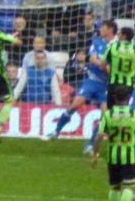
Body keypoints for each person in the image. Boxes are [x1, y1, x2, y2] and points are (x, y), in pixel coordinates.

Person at [46, 20, 116, 149]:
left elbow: (112, 69)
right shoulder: (97, 42)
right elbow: (93, 59)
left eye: (103, 27)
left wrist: (103, 66)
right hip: (92, 81)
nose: (100, 29)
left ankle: (90, 145)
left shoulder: (116, 46)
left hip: (107, 86)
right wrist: (105, 66)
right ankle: (56, 131)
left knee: (104, 116)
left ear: (110, 29)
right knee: (74, 105)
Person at [90, 85, 135, 201]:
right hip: (129, 155)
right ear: (128, 99)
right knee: (130, 188)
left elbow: (99, 136)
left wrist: (95, 155)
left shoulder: (108, 115)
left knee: (115, 187)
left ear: (114, 98)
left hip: (113, 155)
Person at [101, 27, 135, 110]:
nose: (117, 35)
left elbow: (103, 65)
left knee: (111, 110)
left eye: (119, 34)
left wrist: (110, 73)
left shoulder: (112, 47)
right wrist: (132, 80)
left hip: (114, 84)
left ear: (124, 36)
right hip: (129, 85)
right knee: (126, 109)